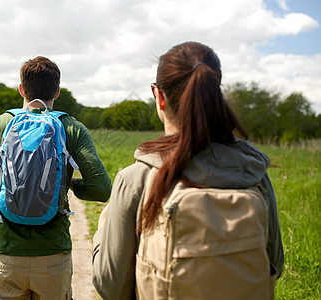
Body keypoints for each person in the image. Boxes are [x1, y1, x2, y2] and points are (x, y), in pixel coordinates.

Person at [92, 42, 284, 299]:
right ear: (215, 93)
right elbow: (274, 264)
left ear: (159, 97)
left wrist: (103, 229)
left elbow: (111, 287)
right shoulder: (253, 170)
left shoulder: (136, 179)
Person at [0, 56, 112, 300]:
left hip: (6, 256)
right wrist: (67, 184)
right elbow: (101, 189)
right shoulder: (71, 128)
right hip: (53, 257)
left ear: (21, 89)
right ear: (56, 92)